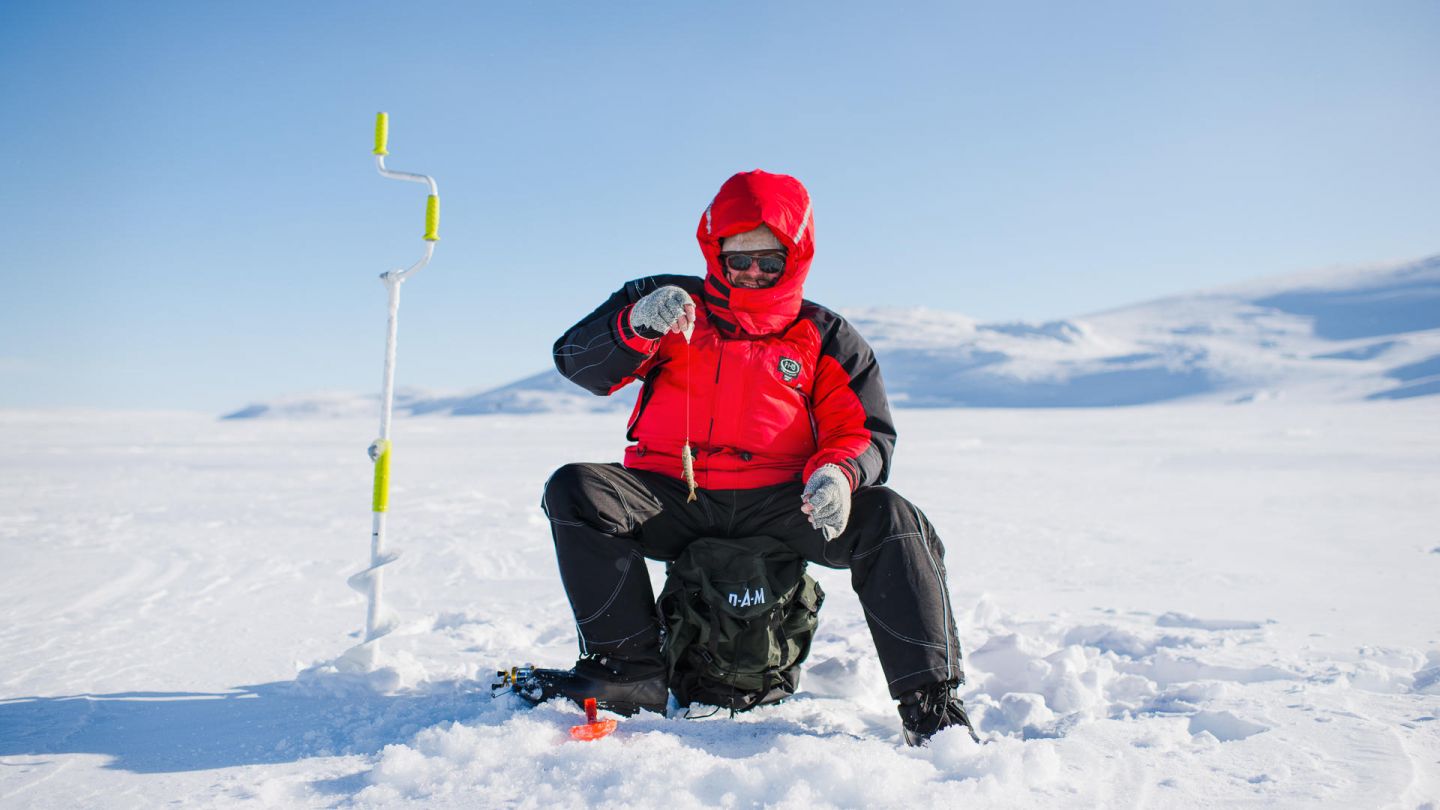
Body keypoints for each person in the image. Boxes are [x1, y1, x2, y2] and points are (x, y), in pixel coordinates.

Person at [536, 169, 976, 746]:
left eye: (769, 261)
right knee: (577, 488)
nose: (751, 272)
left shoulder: (825, 334)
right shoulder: (666, 301)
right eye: (737, 258)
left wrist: (839, 476)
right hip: (673, 496)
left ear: (795, 258)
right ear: (714, 250)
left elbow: (866, 431)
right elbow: (578, 363)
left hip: (784, 504)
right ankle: (629, 675)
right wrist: (635, 326)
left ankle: (932, 708)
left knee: (892, 518)